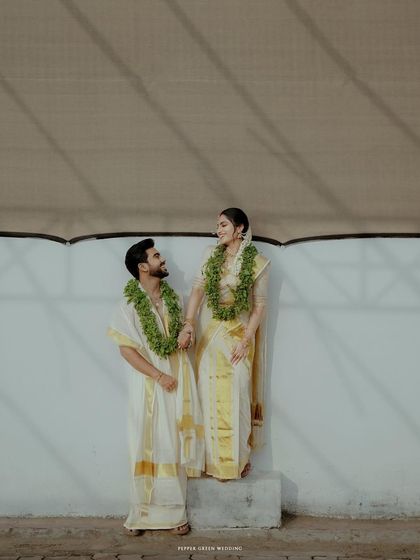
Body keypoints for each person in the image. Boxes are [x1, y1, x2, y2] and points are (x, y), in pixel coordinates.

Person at [108, 238, 204, 535]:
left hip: (178, 384)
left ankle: (175, 514)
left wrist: (187, 333)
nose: (162, 261)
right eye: (156, 256)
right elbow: (126, 350)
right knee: (145, 443)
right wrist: (158, 376)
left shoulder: (173, 299)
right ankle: (140, 515)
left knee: (172, 445)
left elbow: (182, 336)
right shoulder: (128, 304)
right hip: (148, 386)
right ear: (142, 267)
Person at [178, 208, 270, 481]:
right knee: (208, 394)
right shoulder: (210, 254)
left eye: (223, 225)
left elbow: (260, 306)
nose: (217, 230)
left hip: (239, 337)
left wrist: (245, 341)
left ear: (240, 228)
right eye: (217, 225)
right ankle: (211, 462)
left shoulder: (258, 263)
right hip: (211, 335)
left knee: (237, 395)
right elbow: (197, 289)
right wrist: (189, 323)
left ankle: (237, 461)